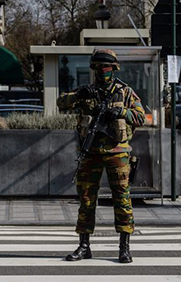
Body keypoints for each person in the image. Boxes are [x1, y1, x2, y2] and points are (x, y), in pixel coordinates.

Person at [57, 49, 145, 264]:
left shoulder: (124, 92)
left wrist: (122, 113)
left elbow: (141, 116)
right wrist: (78, 96)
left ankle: (124, 247)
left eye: (105, 67)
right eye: (97, 67)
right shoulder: (87, 91)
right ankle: (84, 246)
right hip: (91, 153)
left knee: (122, 199)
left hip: (118, 153)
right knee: (86, 199)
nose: (101, 71)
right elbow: (61, 103)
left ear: (113, 69)